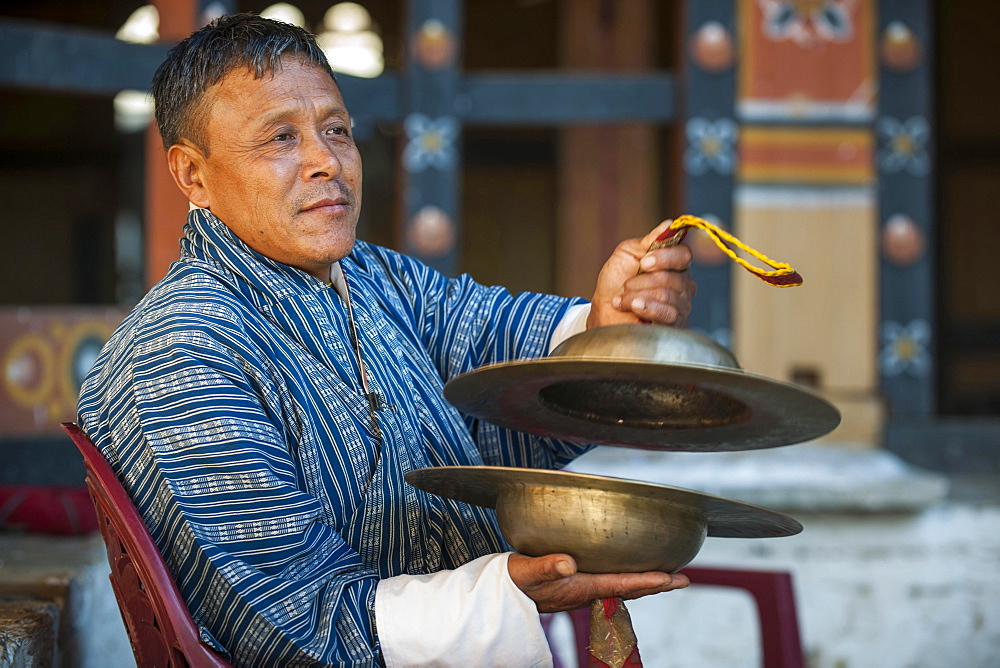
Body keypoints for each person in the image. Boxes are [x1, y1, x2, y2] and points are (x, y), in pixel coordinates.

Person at [78, 13, 696, 667]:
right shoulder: (180, 350)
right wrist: (500, 592)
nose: (327, 162)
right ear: (192, 175)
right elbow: (289, 625)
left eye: (337, 131)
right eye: (281, 138)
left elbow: (490, 349)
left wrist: (609, 323)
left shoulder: (375, 277)